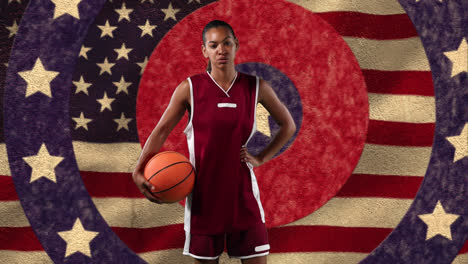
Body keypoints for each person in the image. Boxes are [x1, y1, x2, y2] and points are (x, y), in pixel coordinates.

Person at [132, 20, 296, 264]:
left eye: (227, 43)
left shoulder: (256, 87)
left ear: (236, 45)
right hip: (203, 201)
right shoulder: (189, 88)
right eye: (214, 44)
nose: (221, 49)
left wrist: (261, 157)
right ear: (204, 50)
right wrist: (138, 168)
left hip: (243, 198)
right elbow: (161, 130)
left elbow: (288, 125)